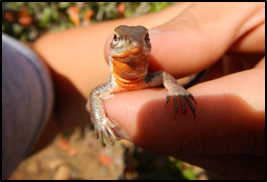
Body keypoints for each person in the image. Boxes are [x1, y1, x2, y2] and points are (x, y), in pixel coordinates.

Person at [2, 2, 265, 180]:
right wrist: (101, 119)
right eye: (117, 39)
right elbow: (95, 94)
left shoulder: (152, 74)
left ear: (148, 45)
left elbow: (162, 75)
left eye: (145, 40)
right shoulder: (113, 83)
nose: (132, 45)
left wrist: (174, 88)